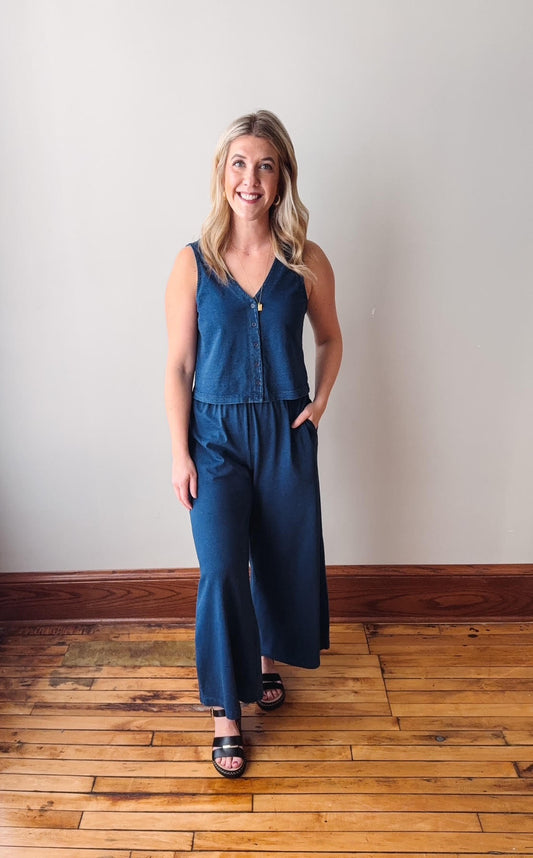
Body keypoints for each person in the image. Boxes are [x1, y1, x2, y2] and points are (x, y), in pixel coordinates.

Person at [164, 110, 342, 778]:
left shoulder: (304, 258)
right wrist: (180, 452)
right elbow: (178, 365)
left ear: (281, 177)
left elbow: (330, 337)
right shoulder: (193, 262)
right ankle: (225, 713)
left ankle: (265, 658)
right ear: (222, 174)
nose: (250, 178)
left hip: (285, 430)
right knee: (218, 568)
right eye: (239, 163)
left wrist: (318, 401)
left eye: (265, 165)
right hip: (213, 436)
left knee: (279, 553)